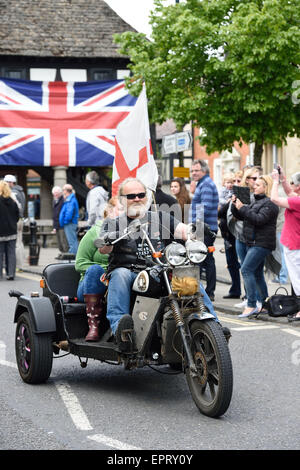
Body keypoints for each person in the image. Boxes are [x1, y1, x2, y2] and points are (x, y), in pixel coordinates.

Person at [98, 177, 227, 350]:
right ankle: (121, 331)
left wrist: (194, 230)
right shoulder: (113, 223)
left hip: (158, 269)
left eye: (141, 194)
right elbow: (102, 249)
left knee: (186, 275)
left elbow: (182, 230)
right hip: (128, 271)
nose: (137, 198)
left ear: (147, 197)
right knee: (119, 275)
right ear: (122, 199)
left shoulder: (159, 217)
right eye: (131, 196)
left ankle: (214, 326)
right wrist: (108, 240)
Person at [75, 197, 122, 341]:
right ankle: (93, 326)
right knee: (95, 270)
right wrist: (106, 269)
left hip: (117, 281)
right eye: (120, 209)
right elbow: (80, 263)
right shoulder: (94, 233)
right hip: (91, 283)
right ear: (109, 211)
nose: (123, 213)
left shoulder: (131, 233)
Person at [231, 175, 279, 318]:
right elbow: (243, 216)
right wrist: (235, 206)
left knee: (246, 270)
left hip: (262, 243)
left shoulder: (270, 204)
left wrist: (243, 208)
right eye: (255, 184)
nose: (254, 187)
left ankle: (251, 304)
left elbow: (259, 220)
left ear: (266, 187)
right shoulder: (255, 201)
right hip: (252, 242)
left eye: (258, 185)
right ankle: (263, 304)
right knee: (257, 273)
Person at [228, 167, 263, 310]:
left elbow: (253, 216)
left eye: (258, 179)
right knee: (245, 268)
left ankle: (258, 300)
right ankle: (248, 297)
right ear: (247, 180)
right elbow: (235, 213)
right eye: (254, 178)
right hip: (240, 235)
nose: (256, 181)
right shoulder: (243, 192)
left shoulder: (259, 196)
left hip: (254, 237)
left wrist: (242, 209)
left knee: (253, 270)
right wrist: (235, 205)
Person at [271, 168, 300, 320]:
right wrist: (283, 179)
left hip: (295, 245)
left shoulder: (298, 201)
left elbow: (275, 199)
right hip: (295, 244)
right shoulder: (297, 199)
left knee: (297, 279)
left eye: (293, 183)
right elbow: (290, 193)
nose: (291, 185)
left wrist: (275, 181)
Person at [189, 159, 219, 301]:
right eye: (192, 170)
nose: (194, 173)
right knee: (206, 260)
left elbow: (204, 207)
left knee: (203, 260)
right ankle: (208, 291)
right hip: (203, 227)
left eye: (196, 170)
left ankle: (208, 292)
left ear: (204, 171)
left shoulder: (206, 184)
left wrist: (195, 227)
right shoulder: (203, 184)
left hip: (204, 228)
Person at [218, 173, 241, 299]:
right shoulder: (225, 195)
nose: (234, 183)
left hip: (236, 234)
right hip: (227, 234)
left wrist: (228, 204)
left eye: (237, 181)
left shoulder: (238, 196)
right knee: (231, 263)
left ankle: (240, 292)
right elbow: (221, 212)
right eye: (233, 181)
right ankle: (235, 290)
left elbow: (222, 211)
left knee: (237, 263)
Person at [4, 174, 26, 272]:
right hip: (21, 220)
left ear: (10, 183)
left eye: (6, 182)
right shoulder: (21, 192)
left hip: (15, 221)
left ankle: (17, 266)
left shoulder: (13, 193)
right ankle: (20, 264)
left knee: (15, 244)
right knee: (19, 243)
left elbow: (16, 209)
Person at [0, 181, 19, 280]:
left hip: (1, 231)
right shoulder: (13, 201)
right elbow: (17, 216)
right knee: (11, 253)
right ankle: (11, 273)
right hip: (12, 230)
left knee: (0, 253)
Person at [59, 184, 79, 255]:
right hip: (69, 223)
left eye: (63, 190)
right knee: (72, 240)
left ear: (66, 191)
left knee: (72, 241)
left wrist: (65, 221)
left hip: (69, 223)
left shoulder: (70, 199)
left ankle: (74, 255)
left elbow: (69, 213)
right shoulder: (70, 198)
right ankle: (74, 254)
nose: (63, 191)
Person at [51, 186, 69, 259]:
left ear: (60, 193)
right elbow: (54, 213)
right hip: (56, 223)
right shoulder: (55, 200)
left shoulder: (63, 200)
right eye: (54, 193)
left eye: (57, 193)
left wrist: (64, 222)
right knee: (59, 241)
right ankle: (62, 254)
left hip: (62, 223)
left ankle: (66, 254)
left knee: (63, 240)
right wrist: (54, 227)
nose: (55, 195)